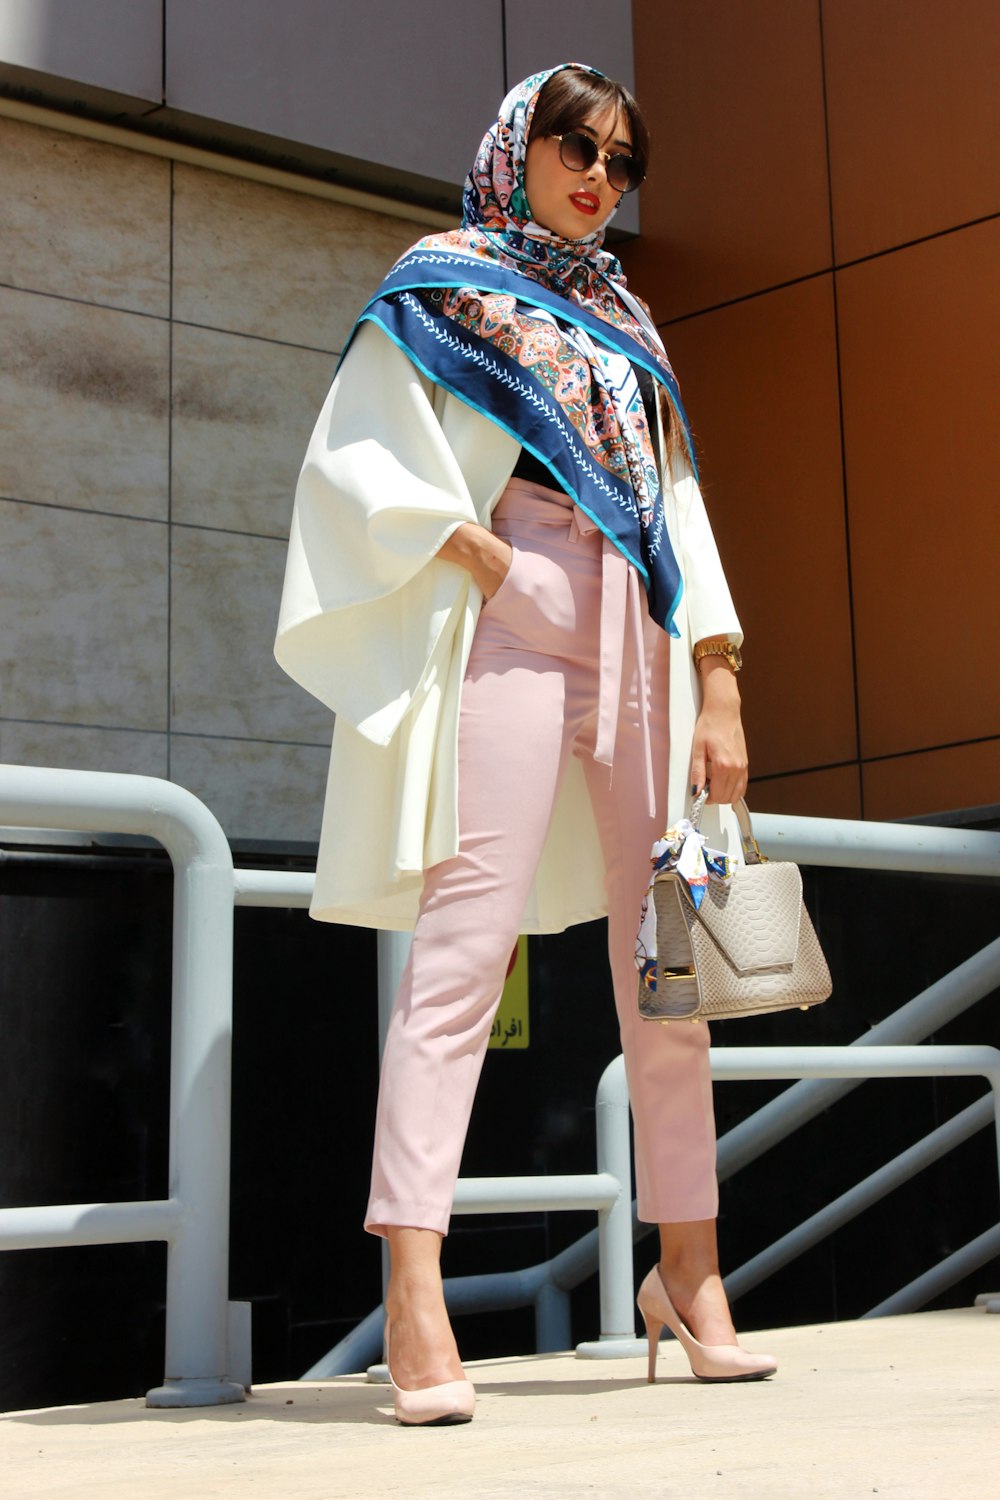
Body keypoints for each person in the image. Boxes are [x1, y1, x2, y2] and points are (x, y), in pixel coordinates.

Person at [275, 62, 776, 1425]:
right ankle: (414, 1299)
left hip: (641, 640)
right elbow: (355, 451)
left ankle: (691, 1275)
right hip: (509, 619)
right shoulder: (442, 278)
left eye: (623, 157)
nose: (598, 174)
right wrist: (471, 548)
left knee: (665, 967)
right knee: (459, 949)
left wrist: (719, 680)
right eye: (576, 144)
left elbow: (677, 506)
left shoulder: (625, 316)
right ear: (520, 144)